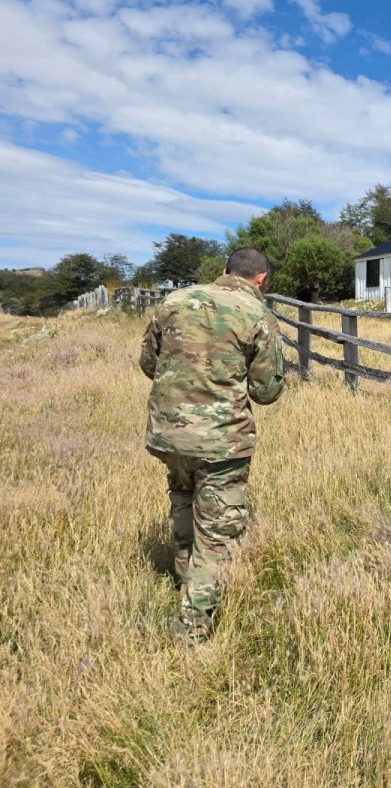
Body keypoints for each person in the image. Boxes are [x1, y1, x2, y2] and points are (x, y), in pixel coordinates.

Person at [139, 247, 285, 645]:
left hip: (169, 433)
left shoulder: (172, 302)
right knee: (216, 534)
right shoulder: (257, 315)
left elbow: (149, 364)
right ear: (261, 280)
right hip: (222, 440)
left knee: (183, 501)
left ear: (224, 271)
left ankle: (186, 584)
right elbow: (267, 390)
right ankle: (191, 631)